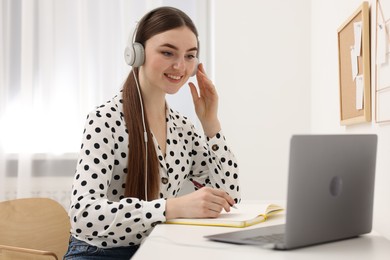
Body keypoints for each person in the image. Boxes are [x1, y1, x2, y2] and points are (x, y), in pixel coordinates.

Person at [64, 6, 240, 259]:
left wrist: (210, 122)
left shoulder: (183, 128)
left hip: (158, 249)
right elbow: (83, 215)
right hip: (100, 253)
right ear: (136, 54)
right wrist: (171, 207)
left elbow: (230, 197)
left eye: (190, 56)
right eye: (168, 52)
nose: (180, 66)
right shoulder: (105, 120)